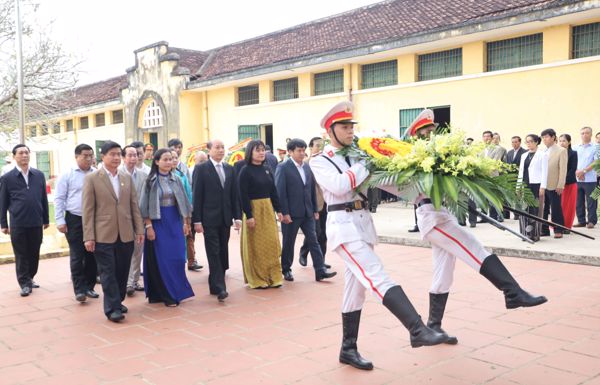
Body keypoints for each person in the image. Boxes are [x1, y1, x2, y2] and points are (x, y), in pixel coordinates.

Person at [310, 101, 447, 371]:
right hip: (343, 227)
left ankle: (348, 349)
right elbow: (340, 186)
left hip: (362, 225)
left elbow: (389, 185)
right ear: (331, 130)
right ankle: (416, 328)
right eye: (345, 127)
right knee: (376, 276)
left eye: (352, 127)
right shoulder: (320, 161)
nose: (351, 131)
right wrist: (367, 161)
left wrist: (425, 190)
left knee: (355, 291)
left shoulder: (357, 157)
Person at [398, 110, 548, 348]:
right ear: (416, 136)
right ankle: (512, 292)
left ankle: (434, 325)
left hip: (443, 215)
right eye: (425, 133)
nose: (431, 136)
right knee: (473, 247)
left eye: (432, 131)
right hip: (433, 218)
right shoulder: (409, 160)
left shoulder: (440, 155)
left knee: (443, 273)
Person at [82, 141, 144, 322]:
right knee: (108, 272)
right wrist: (89, 236)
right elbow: (88, 210)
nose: (116, 157)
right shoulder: (93, 178)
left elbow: (134, 206)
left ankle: (118, 299)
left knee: (123, 271)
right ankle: (112, 309)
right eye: (112, 154)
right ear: (103, 157)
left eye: (118, 154)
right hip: (103, 234)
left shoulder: (126, 178)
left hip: (125, 233)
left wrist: (139, 229)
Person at [275, 138, 337, 282]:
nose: (302, 153)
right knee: (289, 242)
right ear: (290, 152)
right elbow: (280, 192)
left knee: (313, 240)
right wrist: (284, 212)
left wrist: (315, 209)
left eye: (303, 150)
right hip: (291, 213)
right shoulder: (283, 168)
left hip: (308, 212)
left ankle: (320, 270)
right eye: (299, 150)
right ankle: (286, 269)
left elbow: (310, 190)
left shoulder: (307, 167)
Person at [139, 148, 194, 306]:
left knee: (177, 258)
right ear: (157, 162)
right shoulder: (150, 181)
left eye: (171, 159)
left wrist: (186, 223)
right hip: (158, 222)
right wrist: (149, 226)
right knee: (164, 259)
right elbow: (143, 207)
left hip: (175, 222)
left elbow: (184, 202)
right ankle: (168, 294)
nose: (169, 162)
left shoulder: (176, 178)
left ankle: (177, 291)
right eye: (165, 159)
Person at [192, 139, 241, 302]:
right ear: (209, 150)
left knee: (222, 250)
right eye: (217, 147)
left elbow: (234, 195)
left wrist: (237, 216)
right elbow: (197, 195)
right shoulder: (201, 169)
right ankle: (220, 287)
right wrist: (197, 220)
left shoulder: (230, 168)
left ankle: (214, 283)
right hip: (208, 218)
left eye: (222, 147)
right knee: (213, 251)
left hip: (225, 218)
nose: (221, 150)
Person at [0, 144, 49, 297]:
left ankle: (30, 277)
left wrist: (46, 219)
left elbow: (43, 199)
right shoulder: (7, 178)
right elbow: (3, 202)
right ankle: (24, 283)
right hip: (18, 222)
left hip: (36, 221)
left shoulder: (39, 175)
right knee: (21, 254)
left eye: (26, 152)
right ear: (14, 157)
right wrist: (3, 223)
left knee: (34, 252)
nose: (24, 155)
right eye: (20, 153)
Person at [54, 144, 98, 302]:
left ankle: (89, 286)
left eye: (91, 156)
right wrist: (60, 220)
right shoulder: (67, 175)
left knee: (92, 254)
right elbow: (59, 198)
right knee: (77, 254)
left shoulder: (97, 174)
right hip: (74, 218)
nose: (89, 159)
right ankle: (79, 289)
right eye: (85, 156)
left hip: (94, 219)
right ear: (76, 156)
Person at [238, 140, 284, 289]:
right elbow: (242, 195)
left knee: (272, 243)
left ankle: (274, 276)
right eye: (258, 150)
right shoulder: (245, 170)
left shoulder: (267, 169)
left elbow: (273, 192)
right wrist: (249, 215)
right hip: (254, 210)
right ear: (250, 152)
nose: (261, 152)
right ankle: (258, 278)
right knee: (256, 246)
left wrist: (279, 210)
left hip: (268, 209)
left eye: (263, 150)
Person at [119, 145, 149, 297]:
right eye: (129, 155)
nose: (133, 158)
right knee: (124, 252)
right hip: (121, 219)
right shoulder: (117, 174)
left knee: (138, 251)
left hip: (138, 219)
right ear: (124, 158)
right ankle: (124, 281)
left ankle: (133, 281)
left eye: (135, 155)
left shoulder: (144, 176)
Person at [299, 136, 331, 268]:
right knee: (315, 232)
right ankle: (304, 252)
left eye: (322, 146)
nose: (320, 148)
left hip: (327, 203)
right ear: (311, 147)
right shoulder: (305, 164)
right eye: (317, 146)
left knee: (324, 233)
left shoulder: (327, 163)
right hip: (313, 204)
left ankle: (321, 261)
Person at [540, 128, 567, 238]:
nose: (544, 139)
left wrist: (560, 184)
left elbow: (563, 169)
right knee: (544, 209)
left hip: (555, 185)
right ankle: (544, 229)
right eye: (543, 137)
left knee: (555, 208)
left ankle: (558, 229)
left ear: (553, 137)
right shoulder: (543, 151)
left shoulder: (561, 150)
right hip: (543, 185)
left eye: (546, 137)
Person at [517, 134, 545, 241]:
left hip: (536, 185)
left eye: (530, 141)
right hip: (525, 184)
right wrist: (518, 186)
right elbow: (521, 171)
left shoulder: (542, 155)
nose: (528, 144)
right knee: (524, 209)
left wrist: (543, 187)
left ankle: (534, 234)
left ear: (536, 142)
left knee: (535, 209)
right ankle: (524, 233)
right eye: (527, 142)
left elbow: (544, 172)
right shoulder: (524, 155)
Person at [574, 126, 597, 229]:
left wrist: (583, 171)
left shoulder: (596, 147)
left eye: (587, 133)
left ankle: (591, 221)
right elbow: (572, 162)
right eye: (582, 133)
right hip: (577, 179)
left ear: (591, 134)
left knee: (591, 201)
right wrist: (577, 172)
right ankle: (581, 221)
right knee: (578, 201)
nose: (584, 135)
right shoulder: (575, 147)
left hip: (590, 179)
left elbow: (596, 162)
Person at [504, 136, 527, 219]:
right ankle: (508, 213)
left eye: (516, 142)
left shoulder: (525, 152)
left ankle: (517, 214)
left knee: (518, 195)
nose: (514, 143)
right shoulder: (509, 152)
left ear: (519, 142)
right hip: (510, 177)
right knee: (510, 195)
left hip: (519, 177)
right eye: (512, 142)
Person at [559, 134, 578, 232]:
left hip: (569, 184)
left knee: (569, 206)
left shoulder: (573, 153)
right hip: (557, 184)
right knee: (559, 206)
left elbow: (572, 169)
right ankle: (558, 226)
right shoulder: (556, 153)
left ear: (569, 142)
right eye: (560, 141)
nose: (562, 143)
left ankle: (566, 227)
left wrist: (563, 180)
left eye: (564, 141)